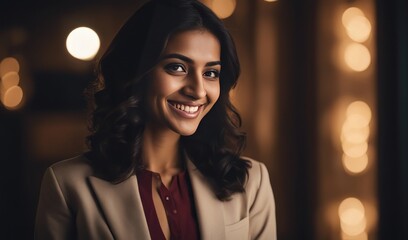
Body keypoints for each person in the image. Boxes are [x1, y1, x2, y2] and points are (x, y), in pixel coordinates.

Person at [34, 0, 276, 239]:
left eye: (210, 73)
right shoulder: (67, 185)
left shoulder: (251, 182)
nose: (199, 91)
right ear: (137, 72)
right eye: (178, 68)